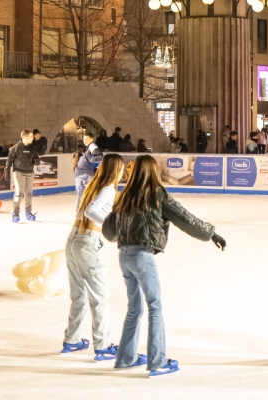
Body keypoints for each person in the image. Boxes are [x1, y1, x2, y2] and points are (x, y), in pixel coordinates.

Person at [102, 155, 226, 377]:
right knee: (155, 307)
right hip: (141, 255)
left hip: (124, 255)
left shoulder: (125, 197)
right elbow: (184, 218)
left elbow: (108, 232)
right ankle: (157, 362)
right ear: (153, 171)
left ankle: (125, 357)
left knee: (134, 308)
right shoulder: (157, 194)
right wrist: (211, 233)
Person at [61, 154, 124, 361]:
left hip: (73, 241)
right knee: (100, 297)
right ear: (117, 169)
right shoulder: (107, 189)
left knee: (78, 294)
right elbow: (91, 211)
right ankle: (103, 345)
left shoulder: (93, 184)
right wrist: (109, 229)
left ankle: (72, 339)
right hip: (86, 244)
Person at [4, 129, 40, 223]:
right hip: (19, 172)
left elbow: (36, 157)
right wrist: (6, 172)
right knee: (19, 192)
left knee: (28, 192)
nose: (33, 138)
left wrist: (37, 160)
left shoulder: (33, 148)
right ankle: (15, 213)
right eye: (31, 137)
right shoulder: (15, 148)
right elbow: (9, 162)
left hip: (29, 172)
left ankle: (28, 212)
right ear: (24, 137)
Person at [74, 133, 104, 210]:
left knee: (82, 193)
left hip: (82, 175)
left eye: (86, 139)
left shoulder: (92, 146)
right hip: (85, 175)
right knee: (88, 193)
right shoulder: (88, 150)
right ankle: (86, 209)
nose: (85, 141)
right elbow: (98, 157)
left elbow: (99, 156)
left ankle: (80, 208)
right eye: (84, 139)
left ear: (92, 139)